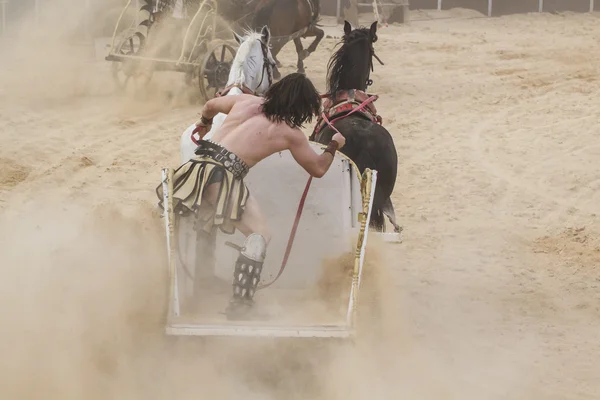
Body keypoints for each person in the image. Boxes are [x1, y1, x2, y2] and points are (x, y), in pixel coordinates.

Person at [156, 73, 346, 319]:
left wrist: (205, 122)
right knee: (259, 235)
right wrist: (334, 145)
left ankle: (203, 280)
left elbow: (211, 106)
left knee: (206, 219)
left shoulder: (246, 101)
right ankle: (241, 305)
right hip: (223, 175)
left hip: (196, 168)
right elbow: (318, 168)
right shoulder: (290, 133)